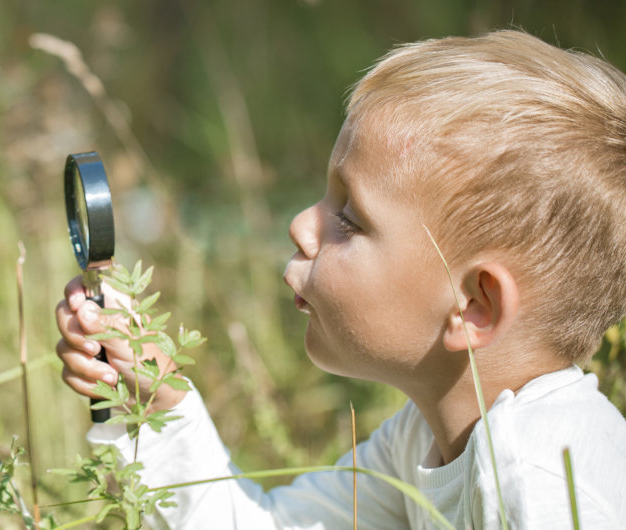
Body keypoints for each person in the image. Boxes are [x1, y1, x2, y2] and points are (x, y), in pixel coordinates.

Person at [54, 30, 626, 528]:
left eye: (348, 220)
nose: (301, 224)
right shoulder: (421, 441)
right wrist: (157, 399)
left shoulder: (543, 483)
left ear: (474, 305)